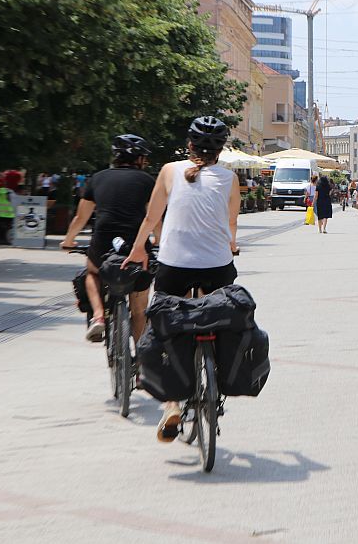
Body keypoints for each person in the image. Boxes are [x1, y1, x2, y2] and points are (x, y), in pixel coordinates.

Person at [122, 116, 240, 443]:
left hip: (174, 265)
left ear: (189, 145)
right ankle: (213, 368)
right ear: (221, 150)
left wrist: (137, 251)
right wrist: (231, 244)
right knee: (220, 313)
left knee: (165, 325)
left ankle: (171, 403)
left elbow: (151, 217)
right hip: (217, 265)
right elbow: (231, 225)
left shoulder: (169, 171)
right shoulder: (230, 179)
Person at [60, 135, 156, 344]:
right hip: (135, 243)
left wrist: (69, 240)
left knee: (92, 272)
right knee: (140, 311)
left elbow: (81, 217)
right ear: (139, 159)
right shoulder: (147, 181)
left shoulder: (98, 178)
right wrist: (158, 239)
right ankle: (141, 365)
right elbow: (153, 216)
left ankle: (98, 316)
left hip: (103, 239)